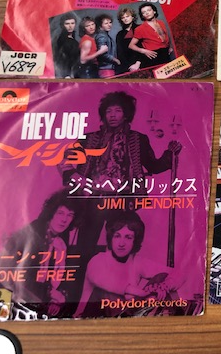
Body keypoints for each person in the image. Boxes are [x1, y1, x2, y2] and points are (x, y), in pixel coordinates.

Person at [62, 91, 181, 255]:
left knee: (121, 246)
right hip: (92, 199)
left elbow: (154, 166)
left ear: (126, 114)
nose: (112, 115)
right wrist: (73, 175)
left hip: (122, 200)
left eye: (117, 111)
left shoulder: (138, 140)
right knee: (85, 247)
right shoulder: (88, 138)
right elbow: (65, 158)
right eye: (108, 111)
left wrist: (170, 154)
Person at [73, 211, 184, 318]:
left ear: (135, 240)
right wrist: (145, 293)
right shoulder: (97, 260)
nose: (121, 243)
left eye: (128, 237)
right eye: (117, 236)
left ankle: (172, 319)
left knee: (162, 277)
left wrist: (163, 286)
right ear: (111, 237)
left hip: (124, 316)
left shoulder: (137, 261)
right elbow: (113, 284)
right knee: (109, 294)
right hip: (90, 318)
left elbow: (179, 274)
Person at [0, 190, 81, 317]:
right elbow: (21, 279)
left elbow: (60, 279)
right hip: (13, 300)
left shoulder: (60, 243)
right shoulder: (33, 234)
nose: (64, 219)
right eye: (60, 213)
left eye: (70, 215)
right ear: (51, 212)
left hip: (35, 306)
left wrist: (57, 298)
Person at [129, 3, 173, 68]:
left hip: (165, 54)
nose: (147, 13)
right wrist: (144, 51)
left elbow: (165, 36)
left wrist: (169, 47)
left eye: (149, 10)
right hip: (153, 56)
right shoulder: (140, 29)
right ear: (142, 15)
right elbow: (131, 45)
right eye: (144, 12)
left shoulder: (161, 22)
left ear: (154, 11)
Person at [115, 7, 141, 74]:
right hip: (128, 66)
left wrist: (138, 63)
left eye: (127, 16)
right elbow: (120, 53)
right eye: (123, 17)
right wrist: (129, 67)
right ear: (121, 20)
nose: (125, 19)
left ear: (132, 17)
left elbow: (145, 46)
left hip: (142, 62)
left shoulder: (140, 28)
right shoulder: (120, 34)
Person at [94, 13, 120, 78]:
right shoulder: (101, 36)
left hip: (108, 68)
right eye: (106, 23)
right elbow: (102, 53)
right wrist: (115, 60)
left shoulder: (105, 35)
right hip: (106, 68)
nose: (109, 25)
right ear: (100, 26)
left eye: (110, 22)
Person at [54, 13, 80, 78]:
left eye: (72, 23)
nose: (70, 26)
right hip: (67, 73)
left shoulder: (72, 38)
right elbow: (63, 59)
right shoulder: (63, 40)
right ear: (62, 25)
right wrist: (67, 75)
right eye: (67, 24)